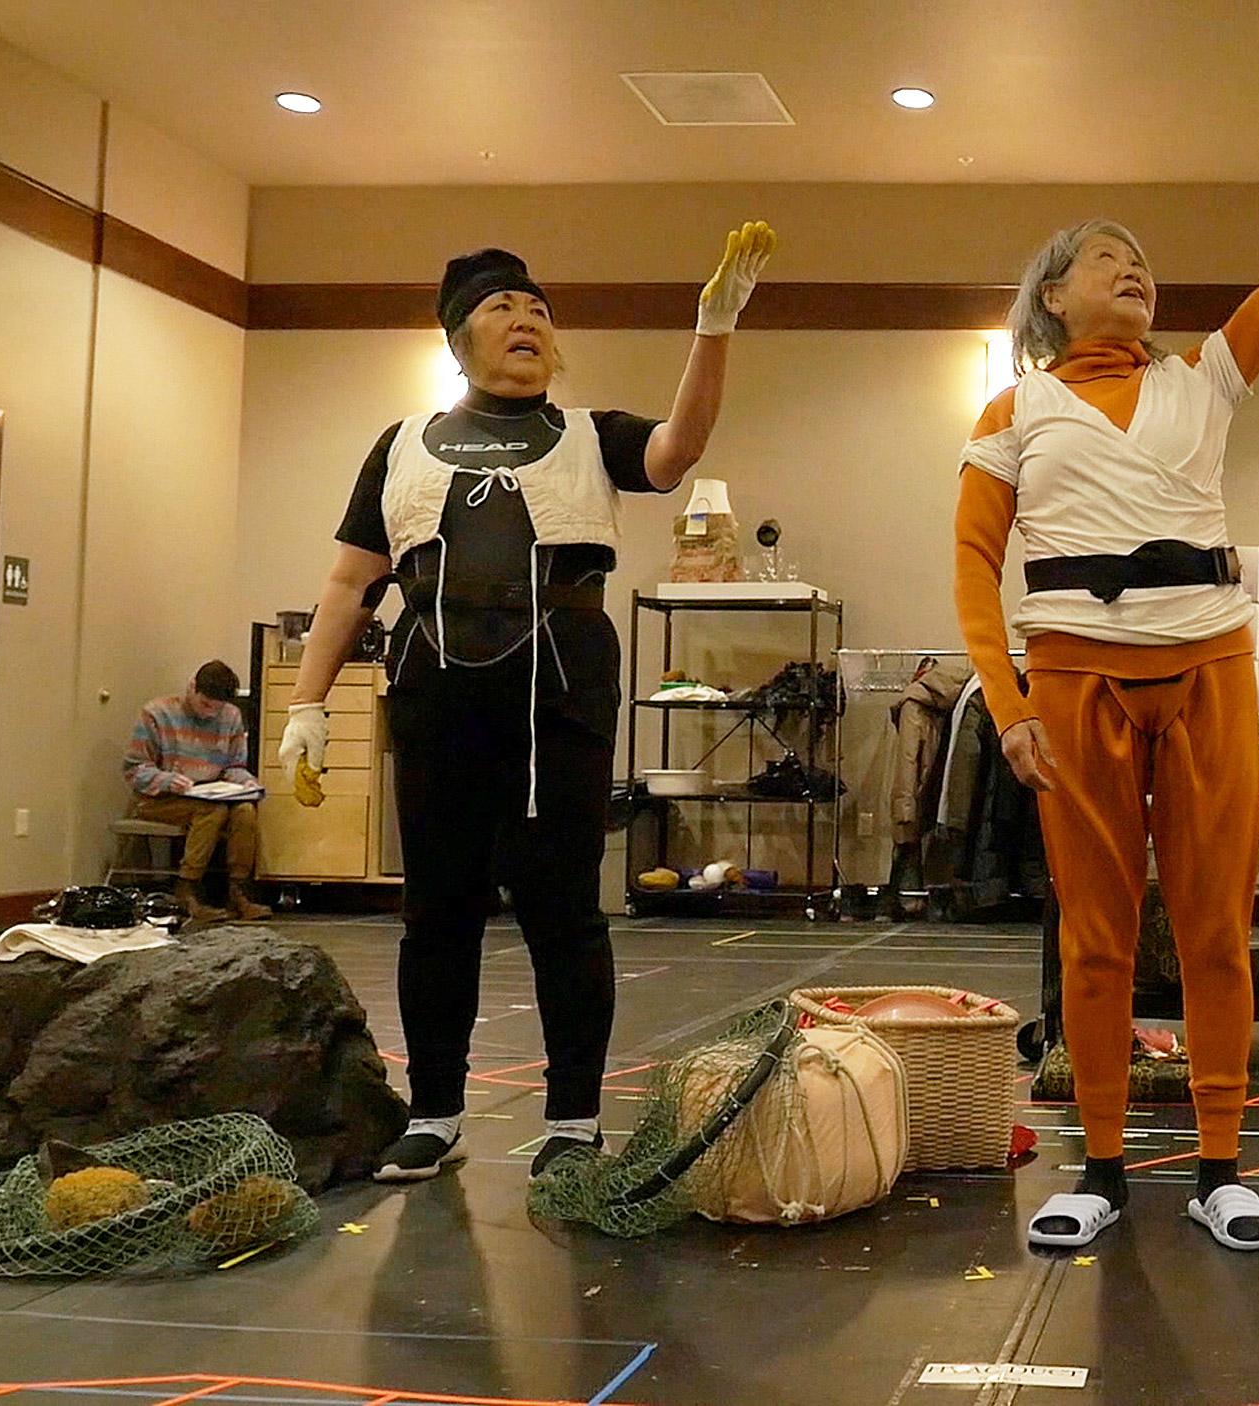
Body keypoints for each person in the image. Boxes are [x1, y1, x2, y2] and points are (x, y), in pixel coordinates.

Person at [953, 69, 1259, 1253]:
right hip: (1070, 683)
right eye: (1106, 257)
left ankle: (1219, 1165)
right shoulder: (1012, 412)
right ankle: (1098, 1166)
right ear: (1051, 296)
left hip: (1208, 673)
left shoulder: (1203, 377)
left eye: (1142, 257)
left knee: (1213, 932)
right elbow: (970, 567)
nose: (1134, 268)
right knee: (1094, 938)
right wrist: (1004, 704)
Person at [279, 226, 775, 1183]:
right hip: (436, 684)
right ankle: (434, 1109)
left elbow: (679, 450)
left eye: (540, 311)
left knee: (562, 909)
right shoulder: (402, 446)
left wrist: (713, 326)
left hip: (561, 685)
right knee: (438, 909)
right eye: (504, 308)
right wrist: (307, 706)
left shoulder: (592, 435)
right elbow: (350, 587)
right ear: (459, 339)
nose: (527, 321)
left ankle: (576, 1118)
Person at [124, 660, 269, 922]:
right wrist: (167, 780)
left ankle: (238, 891)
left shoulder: (231, 717)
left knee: (245, 810)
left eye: (217, 709)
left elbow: (233, 765)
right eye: (204, 705)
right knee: (212, 811)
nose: (209, 714)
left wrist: (246, 782)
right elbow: (134, 769)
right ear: (192, 688)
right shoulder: (156, 713)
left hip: (210, 793)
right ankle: (187, 888)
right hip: (161, 798)